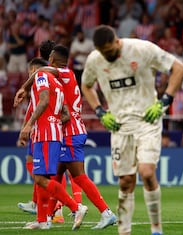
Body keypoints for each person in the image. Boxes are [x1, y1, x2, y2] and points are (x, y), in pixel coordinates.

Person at [80, 25, 183, 235]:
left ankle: (156, 228)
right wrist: (101, 112)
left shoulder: (142, 49)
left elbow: (179, 68)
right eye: (103, 52)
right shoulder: (94, 60)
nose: (107, 55)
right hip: (120, 125)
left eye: (110, 51)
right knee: (126, 181)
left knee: (147, 172)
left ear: (117, 41)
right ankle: (124, 231)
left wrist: (165, 100)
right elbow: (86, 85)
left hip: (148, 120)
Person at [14, 45, 117, 229]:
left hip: (70, 131)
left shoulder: (64, 73)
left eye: (49, 58)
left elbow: (43, 71)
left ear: (53, 59)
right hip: (67, 130)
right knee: (53, 176)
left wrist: (24, 86)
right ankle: (45, 219)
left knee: (78, 176)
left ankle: (103, 212)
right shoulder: (63, 77)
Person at [18, 57, 88, 230]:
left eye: (30, 73)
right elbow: (65, 114)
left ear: (34, 69)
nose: (30, 76)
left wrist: (29, 124)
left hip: (45, 135)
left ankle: (76, 207)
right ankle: (43, 220)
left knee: (41, 179)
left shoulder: (41, 77)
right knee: (43, 177)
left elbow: (43, 100)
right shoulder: (57, 84)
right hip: (53, 134)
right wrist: (53, 121)